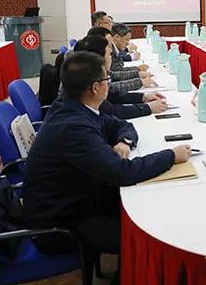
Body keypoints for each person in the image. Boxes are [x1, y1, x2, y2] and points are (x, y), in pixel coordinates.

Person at [23, 52, 191, 271]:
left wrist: (124, 141)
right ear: (95, 87)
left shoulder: (74, 106)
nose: (109, 83)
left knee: (150, 206)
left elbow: (121, 125)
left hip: (80, 197)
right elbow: (123, 172)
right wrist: (171, 155)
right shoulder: (72, 127)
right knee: (147, 233)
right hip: (61, 222)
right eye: (107, 79)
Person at [74, 36, 167, 118]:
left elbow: (113, 95)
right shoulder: (89, 82)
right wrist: (148, 108)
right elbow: (112, 111)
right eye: (109, 54)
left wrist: (143, 97)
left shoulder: (89, 73)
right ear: (97, 58)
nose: (111, 56)